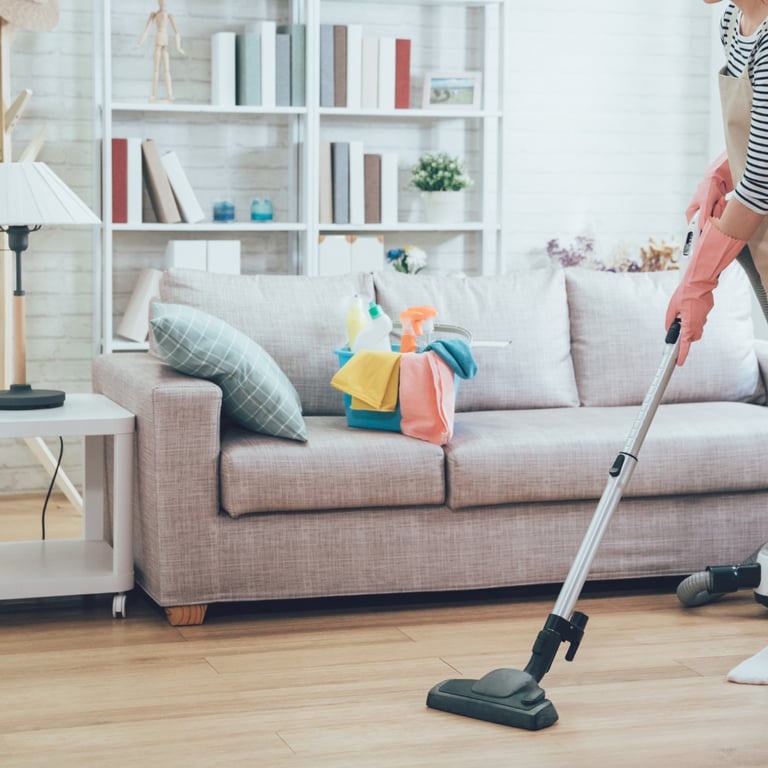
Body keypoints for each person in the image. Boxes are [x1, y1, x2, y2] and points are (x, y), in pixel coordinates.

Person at [670, 0, 768, 685]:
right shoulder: (737, 21)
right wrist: (720, 167)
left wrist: (698, 281)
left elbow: (764, 181)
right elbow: (754, 146)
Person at [137, 0, 184, 102]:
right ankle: (153, 95)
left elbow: (177, 32)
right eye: (161, 2)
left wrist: (178, 46)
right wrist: (140, 43)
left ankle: (170, 94)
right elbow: (146, 30)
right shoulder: (154, 15)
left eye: (164, 2)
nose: (163, 3)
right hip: (158, 41)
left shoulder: (169, 15)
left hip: (165, 42)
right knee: (156, 70)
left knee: (167, 70)